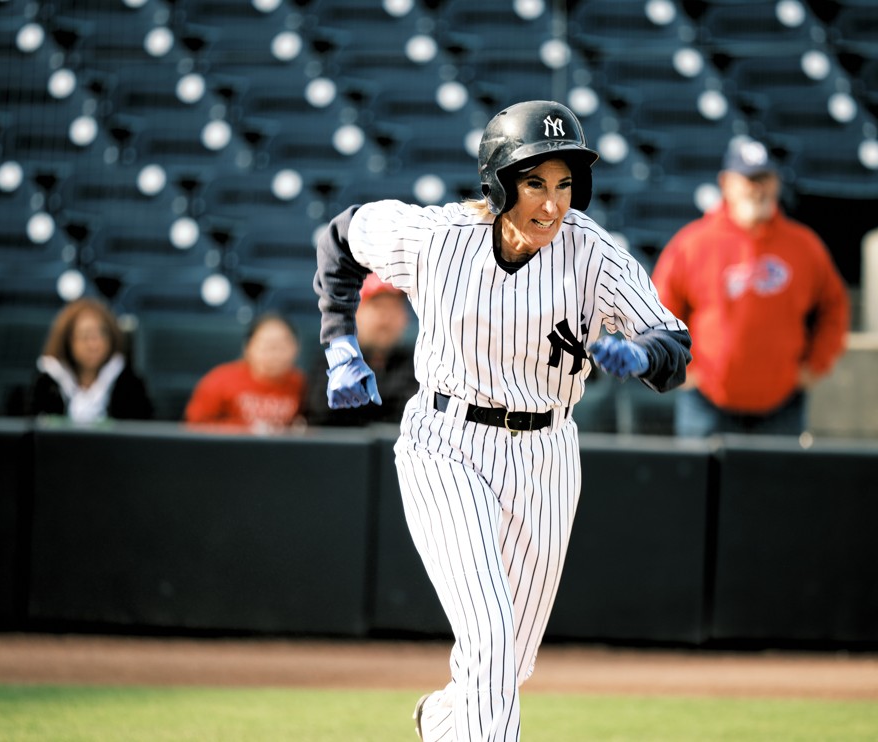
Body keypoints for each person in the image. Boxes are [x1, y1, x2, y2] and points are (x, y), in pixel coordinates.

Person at [313, 100, 691, 742]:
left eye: (565, 183)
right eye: (535, 182)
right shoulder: (436, 238)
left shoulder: (591, 254)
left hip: (546, 454)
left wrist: (643, 353)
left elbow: (673, 346)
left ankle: (444, 719)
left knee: (509, 663)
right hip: (445, 441)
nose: (552, 203)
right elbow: (341, 235)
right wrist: (339, 343)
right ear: (497, 181)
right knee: (489, 637)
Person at [652, 136, 849, 437]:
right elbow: (656, 311)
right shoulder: (693, 244)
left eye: (764, 178)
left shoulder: (804, 246)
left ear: (777, 182)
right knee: (701, 485)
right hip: (707, 406)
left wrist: (817, 363)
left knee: (778, 486)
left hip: (782, 407)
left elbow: (833, 305)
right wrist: (684, 369)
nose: (757, 188)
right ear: (727, 183)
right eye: (748, 178)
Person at [305, 272, 417, 427]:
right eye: (377, 307)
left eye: (394, 308)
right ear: (354, 314)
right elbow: (322, 415)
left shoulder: (418, 365)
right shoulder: (331, 361)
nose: (386, 318)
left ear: (405, 318)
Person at [28, 297, 153, 422]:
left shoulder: (130, 385)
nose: (93, 345)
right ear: (68, 341)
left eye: (101, 335)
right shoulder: (45, 383)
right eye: (85, 336)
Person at [184, 312, 306, 431]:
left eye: (282, 346)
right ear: (248, 348)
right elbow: (194, 426)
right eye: (267, 346)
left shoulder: (302, 384)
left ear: (296, 348)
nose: (274, 354)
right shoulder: (220, 380)